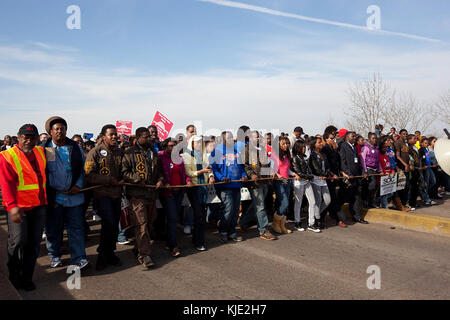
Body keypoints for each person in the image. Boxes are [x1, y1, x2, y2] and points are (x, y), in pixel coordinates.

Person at [0, 124, 47, 291]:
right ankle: (14, 275)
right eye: (25, 137)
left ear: (36, 139)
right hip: (18, 208)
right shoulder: (7, 156)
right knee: (18, 241)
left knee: (33, 244)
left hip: (39, 206)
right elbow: (6, 183)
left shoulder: (41, 152)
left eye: (32, 137)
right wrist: (12, 206)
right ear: (18, 137)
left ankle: (27, 277)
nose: (28, 140)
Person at [43, 116, 89, 270]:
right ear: (50, 132)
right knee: (53, 228)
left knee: (76, 228)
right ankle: (54, 256)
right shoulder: (45, 149)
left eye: (62, 129)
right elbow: (44, 173)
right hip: (55, 197)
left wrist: (78, 185)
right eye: (56, 129)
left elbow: (83, 170)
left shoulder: (74, 147)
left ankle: (79, 258)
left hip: (74, 196)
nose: (59, 131)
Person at [85, 124, 125, 270]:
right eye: (111, 135)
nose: (114, 137)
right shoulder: (94, 152)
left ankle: (110, 253)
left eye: (115, 134)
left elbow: (124, 171)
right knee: (108, 223)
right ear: (103, 137)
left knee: (114, 226)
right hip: (102, 195)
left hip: (117, 195)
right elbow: (88, 175)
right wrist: (109, 180)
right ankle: (101, 255)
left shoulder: (120, 152)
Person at [122, 127, 164, 268]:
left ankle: (138, 247)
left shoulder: (153, 152)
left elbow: (159, 171)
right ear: (138, 137)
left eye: (149, 137)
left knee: (150, 222)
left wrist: (160, 180)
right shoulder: (129, 153)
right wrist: (136, 180)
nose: (149, 139)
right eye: (145, 137)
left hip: (152, 194)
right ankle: (144, 255)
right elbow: (124, 171)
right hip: (137, 195)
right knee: (141, 224)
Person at [209, 131, 248, 243]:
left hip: (236, 185)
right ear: (223, 139)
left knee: (235, 210)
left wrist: (244, 175)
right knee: (228, 210)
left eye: (232, 138)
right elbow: (214, 169)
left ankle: (232, 232)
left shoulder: (236, 151)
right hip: (225, 187)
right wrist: (221, 178)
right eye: (228, 138)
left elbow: (241, 167)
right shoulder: (216, 151)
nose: (231, 140)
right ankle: (223, 231)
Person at [240, 130, 277, 241]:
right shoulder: (246, 150)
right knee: (260, 206)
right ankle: (263, 229)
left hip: (264, 181)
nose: (257, 139)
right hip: (254, 183)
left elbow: (266, 163)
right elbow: (245, 165)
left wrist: (270, 171)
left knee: (256, 205)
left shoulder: (263, 149)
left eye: (258, 137)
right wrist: (251, 174)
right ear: (249, 138)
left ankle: (243, 221)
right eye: (254, 137)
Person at [159, 138, 191, 257]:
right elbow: (158, 173)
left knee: (173, 218)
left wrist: (188, 180)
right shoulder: (160, 157)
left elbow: (184, 173)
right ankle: (173, 246)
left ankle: (168, 241)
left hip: (179, 192)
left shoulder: (179, 158)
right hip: (168, 193)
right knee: (172, 218)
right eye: (170, 146)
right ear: (165, 146)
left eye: (175, 146)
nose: (173, 148)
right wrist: (163, 181)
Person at [182, 135, 215, 249]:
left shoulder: (203, 154)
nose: (198, 144)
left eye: (200, 143)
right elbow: (188, 173)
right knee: (199, 215)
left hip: (204, 188)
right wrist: (201, 171)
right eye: (196, 143)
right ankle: (199, 242)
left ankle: (196, 238)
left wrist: (210, 176)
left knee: (201, 214)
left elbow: (208, 167)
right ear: (191, 143)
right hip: (194, 187)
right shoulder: (186, 155)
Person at [339, 131, 369, 224]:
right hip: (348, 177)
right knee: (344, 197)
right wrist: (348, 173)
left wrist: (363, 172)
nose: (355, 137)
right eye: (353, 136)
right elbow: (342, 161)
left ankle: (357, 217)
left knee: (357, 197)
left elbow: (358, 162)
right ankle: (337, 215)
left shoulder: (354, 148)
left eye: (355, 136)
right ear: (347, 137)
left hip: (356, 176)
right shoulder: (343, 146)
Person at [309, 137, 336, 231]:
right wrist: (323, 174)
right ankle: (318, 220)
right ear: (314, 144)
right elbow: (316, 168)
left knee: (327, 200)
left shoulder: (323, 154)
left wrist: (330, 173)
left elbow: (327, 166)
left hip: (323, 180)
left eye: (321, 142)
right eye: (319, 142)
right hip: (316, 179)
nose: (321, 144)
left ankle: (317, 215)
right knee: (318, 200)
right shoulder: (312, 155)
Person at [322, 133, 347, 227]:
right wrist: (330, 174)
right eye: (331, 138)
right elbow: (325, 164)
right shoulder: (324, 149)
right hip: (329, 177)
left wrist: (341, 172)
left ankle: (337, 218)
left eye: (334, 139)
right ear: (326, 139)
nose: (333, 140)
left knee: (334, 198)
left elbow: (337, 163)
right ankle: (322, 218)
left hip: (336, 176)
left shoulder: (334, 149)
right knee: (327, 199)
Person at [291, 140, 316, 232]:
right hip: (299, 183)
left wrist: (309, 176)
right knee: (298, 202)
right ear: (297, 148)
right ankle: (297, 222)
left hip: (307, 181)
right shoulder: (295, 158)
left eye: (304, 147)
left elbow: (308, 170)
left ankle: (311, 223)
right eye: (302, 147)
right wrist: (309, 176)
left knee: (312, 202)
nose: (304, 149)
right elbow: (299, 172)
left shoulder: (304, 157)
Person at [270, 136, 293, 234]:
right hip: (278, 181)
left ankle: (282, 225)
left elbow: (287, 169)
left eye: (287, 143)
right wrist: (278, 175)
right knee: (285, 202)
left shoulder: (287, 155)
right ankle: (275, 223)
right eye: (283, 144)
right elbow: (271, 169)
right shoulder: (273, 155)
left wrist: (293, 174)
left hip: (287, 181)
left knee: (283, 204)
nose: (286, 145)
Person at [360, 133, 382, 208]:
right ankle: (365, 201)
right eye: (373, 138)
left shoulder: (376, 148)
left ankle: (371, 202)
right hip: (369, 169)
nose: (375, 140)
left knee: (374, 186)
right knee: (371, 186)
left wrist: (380, 169)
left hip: (375, 169)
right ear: (369, 139)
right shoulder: (365, 148)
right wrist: (365, 170)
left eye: (375, 138)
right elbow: (362, 160)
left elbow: (377, 160)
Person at [394, 129, 411, 208]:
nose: (405, 135)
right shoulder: (398, 143)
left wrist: (409, 163)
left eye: (406, 134)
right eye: (403, 134)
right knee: (401, 186)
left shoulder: (405, 143)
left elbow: (407, 155)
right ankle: (400, 204)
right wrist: (405, 165)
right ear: (400, 134)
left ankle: (404, 203)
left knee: (407, 186)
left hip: (407, 167)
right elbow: (397, 156)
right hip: (401, 167)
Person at [418, 138, 437, 206]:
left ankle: (423, 194)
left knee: (433, 181)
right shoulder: (420, 150)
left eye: (427, 143)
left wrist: (432, 165)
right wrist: (423, 166)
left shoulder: (426, 150)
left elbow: (428, 158)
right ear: (421, 143)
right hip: (424, 169)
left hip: (429, 168)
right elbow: (420, 160)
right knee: (425, 184)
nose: (426, 144)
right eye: (425, 143)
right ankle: (426, 199)